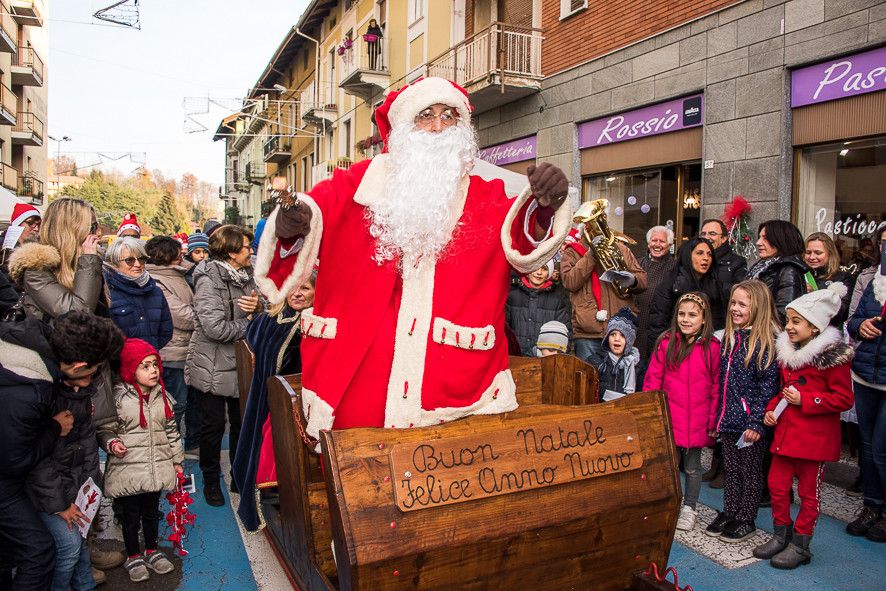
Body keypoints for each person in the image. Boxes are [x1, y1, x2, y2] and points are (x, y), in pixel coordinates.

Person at [254, 77, 573, 440]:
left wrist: (544, 207)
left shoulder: (488, 197)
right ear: (404, 128)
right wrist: (292, 226)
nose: (438, 126)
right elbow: (308, 220)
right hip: (355, 391)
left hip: (454, 395)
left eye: (449, 116)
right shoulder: (356, 186)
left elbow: (524, 245)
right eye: (426, 115)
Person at [751, 284, 853, 568]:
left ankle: (801, 544)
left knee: (809, 494)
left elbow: (844, 398)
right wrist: (771, 410)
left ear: (815, 327)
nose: (789, 327)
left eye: (796, 322)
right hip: (786, 437)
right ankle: (780, 534)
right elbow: (783, 392)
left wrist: (807, 399)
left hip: (813, 441)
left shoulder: (831, 361)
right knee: (777, 486)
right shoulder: (790, 357)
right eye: (788, 320)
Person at [26, 312, 125, 591]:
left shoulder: (75, 387)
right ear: (80, 366)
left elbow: (85, 440)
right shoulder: (42, 393)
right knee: (68, 547)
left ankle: (84, 583)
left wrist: (90, 483)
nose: (96, 378)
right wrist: (59, 504)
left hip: (73, 485)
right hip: (51, 493)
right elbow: (38, 461)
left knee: (78, 542)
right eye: (95, 371)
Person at [233, 272, 316, 531]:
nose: (297, 293)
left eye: (305, 288)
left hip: (298, 403)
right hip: (265, 397)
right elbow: (251, 340)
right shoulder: (269, 319)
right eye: (293, 287)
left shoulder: (315, 324)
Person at [187, 225, 261, 506]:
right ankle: (210, 481)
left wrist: (259, 310)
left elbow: (263, 306)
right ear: (230, 252)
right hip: (213, 366)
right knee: (213, 428)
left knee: (242, 424)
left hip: (242, 364)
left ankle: (238, 476)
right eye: (246, 247)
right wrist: (250, 323)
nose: (250, 251)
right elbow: (214, 328)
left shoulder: (249, 274)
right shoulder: (208, 279)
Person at [98, 338, 182, 583]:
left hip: (156, 468)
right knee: (130, 516)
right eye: (145, 366)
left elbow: (172, 431)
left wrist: (177, 461)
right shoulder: (118, 398)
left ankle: (152, 550)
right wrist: (112, 443)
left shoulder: (163, 396)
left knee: (152, 512)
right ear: (129, 369)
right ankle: (133, 555)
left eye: (155, 364)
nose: (153, 370)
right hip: (129, 469)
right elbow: (105, 429)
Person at [706, 280, 780, 542]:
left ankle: (746, 517)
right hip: (729, 419)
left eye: (742, 305)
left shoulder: (764, 344)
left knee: (750, 472)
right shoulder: (729, 339)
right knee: (731, 469)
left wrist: (756, 423)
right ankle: (730, 511)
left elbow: (767, 388)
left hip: (749, 424)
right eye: (733, 303)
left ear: (758, 308)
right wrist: (718, 417)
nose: (734, 309)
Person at [644, 292, 720, 531]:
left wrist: (712, 420)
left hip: (697, 420)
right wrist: (652, 412)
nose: (686, 319)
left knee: (693, 467)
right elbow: (653, 379)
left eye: (692, 315)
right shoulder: (666, 343)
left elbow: (716, 387)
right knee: (668, 465)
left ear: (704, 319)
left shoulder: (712, 348)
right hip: (670, 417)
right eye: (682, 314)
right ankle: (669, 503)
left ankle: (689, 507)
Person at [561, 223, 647, 366]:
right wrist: (591, 255)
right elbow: (570, 282)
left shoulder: (621, 248)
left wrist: (633, 280)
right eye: (591, 225)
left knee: (620, 376)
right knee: (588, 376)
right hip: (588, 333)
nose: (596, 229)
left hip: (620, 329)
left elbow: (643, 280)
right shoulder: (572, 252)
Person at [7, 197, 103, 321]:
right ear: (70, 231)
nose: (98, 233)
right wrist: (89, 260)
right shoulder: (35, 268)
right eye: (92, 227)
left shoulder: (82, 259)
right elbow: (78, 314)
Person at [846, 262, 886, 542]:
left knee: (883, 449)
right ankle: (872, 506)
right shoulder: (876, 282)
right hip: (865, 374)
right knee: (869, 447)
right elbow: (853, 320)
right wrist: (861, 325)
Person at [145, 236, 196, 442]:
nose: (182, 256)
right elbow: (180, 315)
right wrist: (206, 318)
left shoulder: (179, 274)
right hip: (172, 352)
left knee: (184, 403)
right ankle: (167, 446)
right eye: (178, 253)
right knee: (175, 404)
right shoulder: (157, 280)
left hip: (184, 349)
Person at [648, 237, 725, 354]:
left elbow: (718, 322)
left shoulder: (715, 285)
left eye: (709, 254)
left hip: (704, 351)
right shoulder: (671, 283)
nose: (706, 258)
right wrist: (661, 352)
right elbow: (658, 322)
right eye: (700, 253)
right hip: (673, 349)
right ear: (688, 256)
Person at [104, 236, 173, 351]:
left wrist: (148, 352)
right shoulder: (107, 292)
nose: (137, 264)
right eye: (129, 260)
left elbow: (166, 331)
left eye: (141, 259)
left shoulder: (156, 292)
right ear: (114, 264)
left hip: (149, 358)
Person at [505, 259, 571, 356]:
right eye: (535, 267)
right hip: (515, 357)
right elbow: (504, 329)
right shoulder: (512, 295)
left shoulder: (557, 299)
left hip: (545, 358)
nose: (539, 272)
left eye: (544, 269)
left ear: (549, 273)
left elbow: (565, 333)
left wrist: (551, 353)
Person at [747, 220, 808, 324]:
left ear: (780, 240)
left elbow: (784, 312)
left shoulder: (789, 270)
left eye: (765, 238)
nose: (758, 243)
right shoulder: (760, 266)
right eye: (759, 237)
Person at [635, 226, 675, 361]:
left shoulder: (674, 268)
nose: (657, 245)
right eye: (654, 240)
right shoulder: (637, 264)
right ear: (648, 243)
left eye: (662, 241)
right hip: (635, 330)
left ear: (670, 245)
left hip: (659, 332)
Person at [803, 232, 855, 326]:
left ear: (830, 254)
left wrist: (814, 295)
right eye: (808, 252)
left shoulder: (843, 278)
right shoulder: (800, 275)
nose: (812, 257)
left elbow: (842, 314)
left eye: (818, 253)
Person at [597, 307, 641, 401]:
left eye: (622, 335)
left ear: (630, 341)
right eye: (613, 334)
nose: (616, 339)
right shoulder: (597, 361)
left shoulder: (638, 366)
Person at [700, 218, 747, 299]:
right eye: (703, 234)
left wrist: (711, 285)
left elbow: (740, 292)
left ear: (723, 238)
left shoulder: (737, 262)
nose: (706, 237)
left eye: (712, 233)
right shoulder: (692, 257)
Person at [0, 202, 41, 277]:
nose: (36, 229)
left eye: (38, 224)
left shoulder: (40, 248)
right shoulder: (2, 245)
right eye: (31, 223)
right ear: (17, 224)